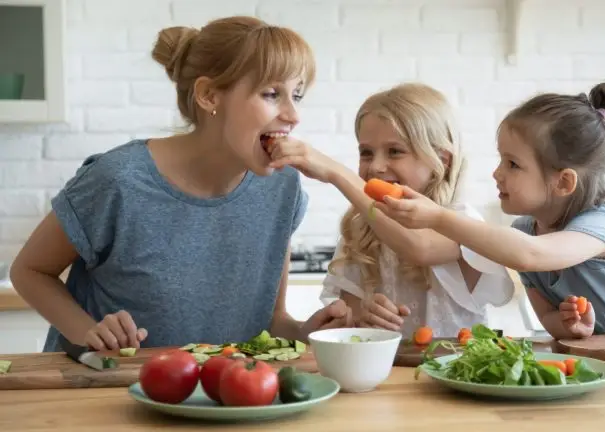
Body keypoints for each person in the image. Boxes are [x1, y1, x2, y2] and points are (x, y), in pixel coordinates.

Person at [9, 16, 353, 352]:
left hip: (219, 400)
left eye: (298, 95)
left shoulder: (283, 188)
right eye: (271, 94)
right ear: (209, 96)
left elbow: (271, 319)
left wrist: (307, 331)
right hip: (108, 393)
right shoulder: (118, 180)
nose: (293, 115)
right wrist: (89, 332)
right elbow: (29, 271)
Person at [373, 81, 605, 339]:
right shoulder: (524, 233)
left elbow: (531, 256)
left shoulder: (597, 229)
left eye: (513, 164)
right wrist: (572, 325)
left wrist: (438, 217)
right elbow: (550, 321)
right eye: (500, 160)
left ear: (564, 182)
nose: (497, 173)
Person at [266, 82, 516, 338]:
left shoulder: (460, 221)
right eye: (366, 153)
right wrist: (362, 315)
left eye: (395, 152)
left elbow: (420, 247)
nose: (376, 167)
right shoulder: (360, 231)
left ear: (441, 159)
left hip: (454, 372)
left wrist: (336, 173)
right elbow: (348, 318)